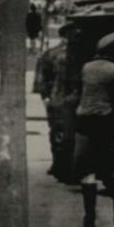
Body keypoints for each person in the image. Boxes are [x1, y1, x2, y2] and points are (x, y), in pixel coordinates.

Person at [72, 32, 114, 227]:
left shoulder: (86, 68)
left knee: (87, 171)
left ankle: (88, 217)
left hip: (84, 124)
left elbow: (77, 94)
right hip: (107, 124)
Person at [34, 21, 78, 184]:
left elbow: (41, 77)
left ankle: (60, 165)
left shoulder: (51, 53)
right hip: (65, 100)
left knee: (58, 133)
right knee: (65, 134)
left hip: (58, 100)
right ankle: (64, 166)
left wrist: (45, 96)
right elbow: (43, 77)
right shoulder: (65, 54)